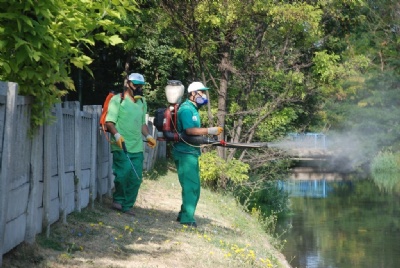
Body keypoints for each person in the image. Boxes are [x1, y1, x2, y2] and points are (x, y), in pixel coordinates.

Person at [105, 72, 157, 215]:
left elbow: (142, 124)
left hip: (137, 147)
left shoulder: (142, 102)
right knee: (122, 175)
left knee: (135, 178)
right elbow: (109, 122)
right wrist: (117, 135)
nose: (139, 88)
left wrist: (148, 136)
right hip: (121, 145)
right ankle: (118, 200)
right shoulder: (118, 100)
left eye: (141, 85)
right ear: (128, 84)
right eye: (136, 85)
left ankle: (127, 206)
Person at [172, 81, 223, 227]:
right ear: (193, 93)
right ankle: (187, 219)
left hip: (190, 152)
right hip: (185, 153)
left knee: (192, 186)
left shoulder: (193, 109)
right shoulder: (187, 109)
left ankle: (183, 214)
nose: (204, 95)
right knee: (191, 187)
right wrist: (210, 130)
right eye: (201, 92)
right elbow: (189, 131)